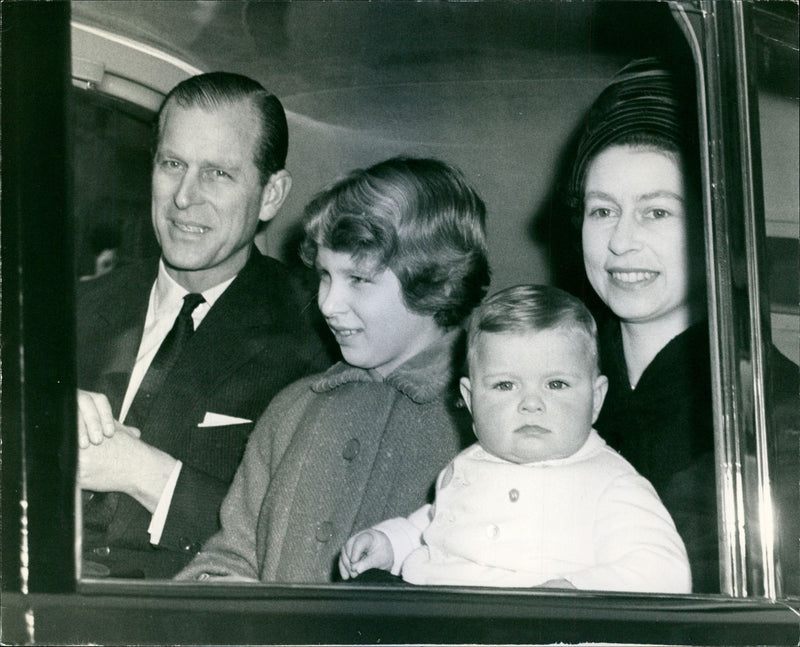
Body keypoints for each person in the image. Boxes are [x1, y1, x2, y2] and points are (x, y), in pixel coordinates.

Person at [175, 156, 490, 583]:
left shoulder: (485, 422)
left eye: (358, 280)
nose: (327, 304)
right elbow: (230, 555)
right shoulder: (293, 408)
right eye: (324, 275)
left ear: (437, 282)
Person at [76, 72, 335, 579]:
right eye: (172, 164)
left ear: (271, 195)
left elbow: (308, 536)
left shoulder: (319, 335)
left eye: (218, 173)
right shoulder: (76, 306)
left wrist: (142, 473)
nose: (183, 198)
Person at [563, 58, 799, 593]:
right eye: (602, 211)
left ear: (717, 228)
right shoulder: (540, 384)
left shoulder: (777, 412)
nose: (620, 241)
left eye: (656, 212)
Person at [338, 285, 691, 593]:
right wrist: (393, 542)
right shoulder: (467, 465)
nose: (531, 404)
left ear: (596, 399)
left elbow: (664, 572)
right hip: (435, 614)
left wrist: (575, 591)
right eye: (505, 385)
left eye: (556, 384)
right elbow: (439, 524)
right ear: (472, 400)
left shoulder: (611, 484)